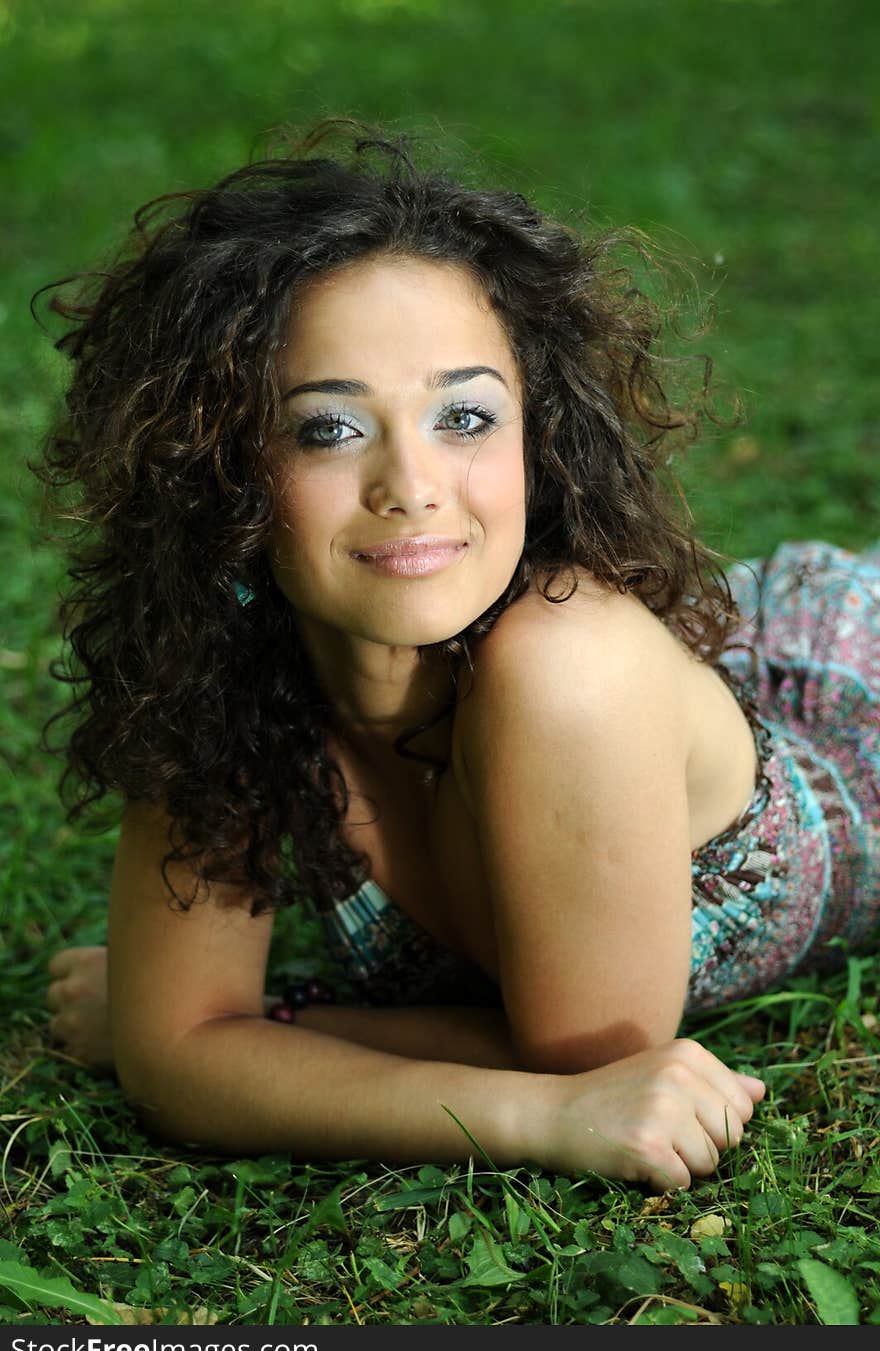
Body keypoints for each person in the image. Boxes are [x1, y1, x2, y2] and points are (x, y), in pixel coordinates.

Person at [38, 120, 878, 1193]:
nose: (412, 483)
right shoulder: (219, 663)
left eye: (465, 416)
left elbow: (587, 1064)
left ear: (537, 436)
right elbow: (178, 1058)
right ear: (219, 468)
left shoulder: (569, 667)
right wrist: (193, 1039)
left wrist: (275, 1021)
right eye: (327, 429)